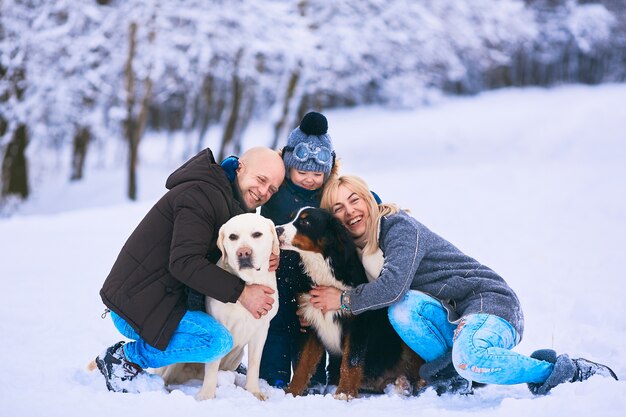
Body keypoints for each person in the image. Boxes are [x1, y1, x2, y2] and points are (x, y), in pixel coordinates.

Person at [309, 174, 618, 396]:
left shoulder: (397, 227)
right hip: (448, 315)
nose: (349, 212)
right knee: (402, 311)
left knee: (468, 356)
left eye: (354, 200)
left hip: (487, 304)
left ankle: (563, 371)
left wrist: (343, 300)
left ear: (368, 199)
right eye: (338, 208)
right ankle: (454, 379)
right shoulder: (364, 253)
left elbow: (393, 286)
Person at [94, 146, 285, 393]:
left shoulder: (231, 204)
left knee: (220, 337)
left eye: (272, 189)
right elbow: (185, 263)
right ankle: (125, 357)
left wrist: (267, 254)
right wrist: (242, 292)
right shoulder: (200, 195)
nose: (263, 192)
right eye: (261, 180)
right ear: (240, 167)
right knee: (216, 341)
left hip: (165, 301)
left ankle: (216, 360)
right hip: (135, 305)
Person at [259, 112, 339, 392]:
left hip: (311, 274)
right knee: (277, 323)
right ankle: (272, 376)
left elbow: (354, 198)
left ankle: (313, 379)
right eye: (302, 172)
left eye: (317, 174)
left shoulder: (328, 195)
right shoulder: (275, 190)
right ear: (288, 166)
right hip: (277, 270)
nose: (309, 179)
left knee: (310, 325)